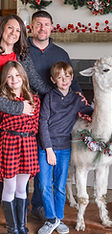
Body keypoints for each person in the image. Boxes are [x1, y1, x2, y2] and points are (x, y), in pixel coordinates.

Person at [28, 10, 82, 220]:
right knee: (32, 164)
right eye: (38, 24)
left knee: (46, 165)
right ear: (31, 27)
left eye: (46, 24)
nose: (42, 28)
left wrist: (81, 102)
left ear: (52, 27)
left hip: (54, 118)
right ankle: (24, 202)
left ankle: (41, 207)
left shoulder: (60, 53)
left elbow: (73, 81)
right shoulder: (23, 51)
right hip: (30, 114)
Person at [37, 62, 93, 234]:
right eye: (59, 77)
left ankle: (58, 218)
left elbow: (89, 112)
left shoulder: (76, 99)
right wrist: (48, 149)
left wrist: (97, 105)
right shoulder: (49, 98)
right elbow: (42, 124)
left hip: (65, 148)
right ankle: (51, 219)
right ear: (53, 80)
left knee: (61, 186)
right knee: (45, 184)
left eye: (67, 76)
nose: (64, 80)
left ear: (72, 78)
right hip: (46, 147)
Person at [0, 60, 40, 234]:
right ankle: (12, 228)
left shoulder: (34, 99)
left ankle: (21, 226)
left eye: (17, 75)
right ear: (5, 80)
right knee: (9, 187)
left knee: (22, 188)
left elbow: (35, 124)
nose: (14, 79)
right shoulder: (3, 100)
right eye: (9, 76)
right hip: (9, 144)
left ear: (23, 77)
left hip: (28, 144)